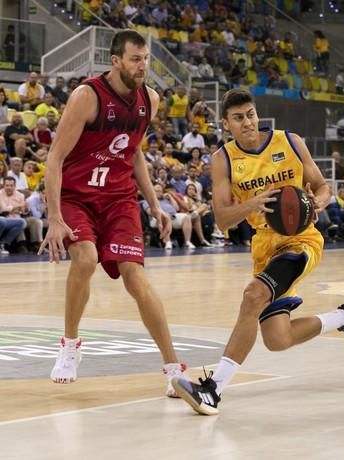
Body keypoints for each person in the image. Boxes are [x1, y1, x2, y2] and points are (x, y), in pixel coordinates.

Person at [171, 89, 344, 416]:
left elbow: (322, 187)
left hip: (301, 241)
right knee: (277, 338)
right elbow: (222, 219)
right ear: (227, 124)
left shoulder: (290, 142)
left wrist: (315, 204)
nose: (248, 122)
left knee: (253, 296)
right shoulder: (223, 159)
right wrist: (253, 203)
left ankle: (213, 390)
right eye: (238, 118)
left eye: (250, 114)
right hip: (265, 247)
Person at [39, 30, 189, 396]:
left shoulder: (150, 99)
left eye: (146, 59)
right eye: (136, 59)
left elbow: (134, 151)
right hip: (77, 197)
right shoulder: (87, 97)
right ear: (116, 61)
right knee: (86, 260)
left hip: (119, 199)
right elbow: (55, 158)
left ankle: (173, 368)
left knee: (136, 279)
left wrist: (153, 204)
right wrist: (55, 217)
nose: (143, 66)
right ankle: (71, 344)